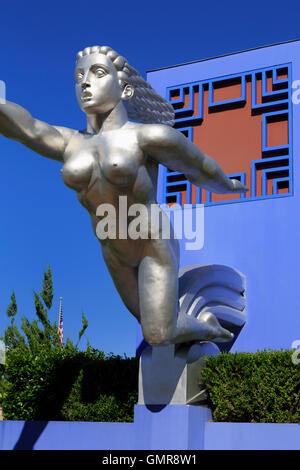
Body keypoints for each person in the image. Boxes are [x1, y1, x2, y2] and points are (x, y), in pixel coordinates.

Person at [0, 45, 248, 347]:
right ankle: (192, 329)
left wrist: (230, 185)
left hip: (150, 243)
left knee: (158, 333)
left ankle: (211, 329)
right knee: (154, 328)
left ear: (125, 89)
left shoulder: (147, 136)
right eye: (79, 77)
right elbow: (27, 129)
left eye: (98, 73)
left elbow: (200, 167)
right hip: (113, 251)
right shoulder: (70, 142)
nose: (85, 83)